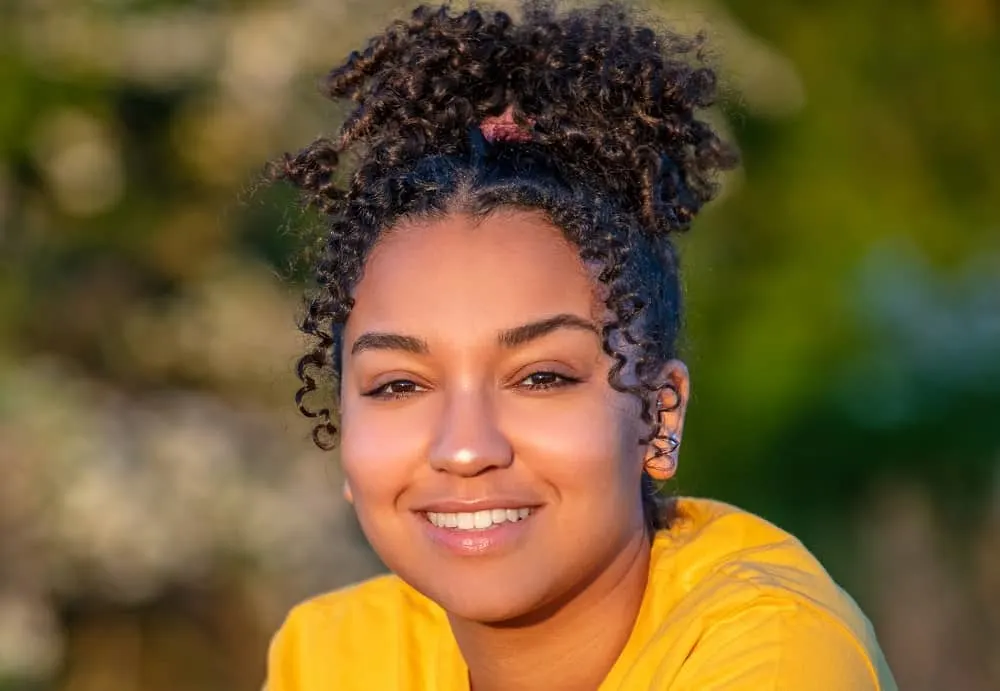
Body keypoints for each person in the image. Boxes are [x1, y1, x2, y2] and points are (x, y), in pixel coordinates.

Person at [265, 2, 896, 688]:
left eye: (541, 376)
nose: (465, 448)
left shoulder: (776, 655)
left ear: (660, 414)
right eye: (399, 385)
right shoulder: (335, 655)